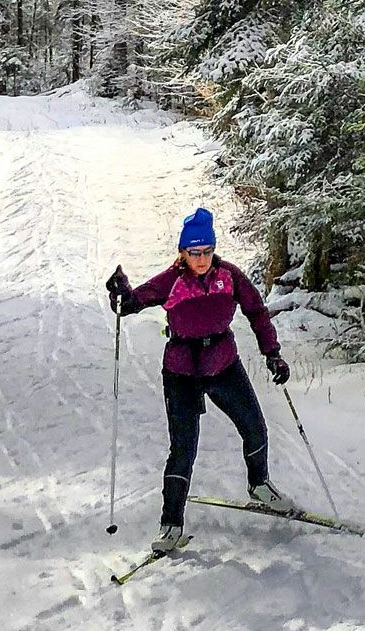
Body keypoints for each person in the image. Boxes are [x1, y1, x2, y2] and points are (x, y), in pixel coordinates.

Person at [105, 207, 296, 554]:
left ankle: (259, 485)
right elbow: (132, 303)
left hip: (223, 364)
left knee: (255, 427)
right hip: (181, 372)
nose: (202, 258)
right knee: (183, 449)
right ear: (183, 252)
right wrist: (120, 292)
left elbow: (256, 312)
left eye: (207, 251)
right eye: (194, 252)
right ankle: (171, 525)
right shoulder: (172, 280)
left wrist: (273, 353)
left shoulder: (230, 276)